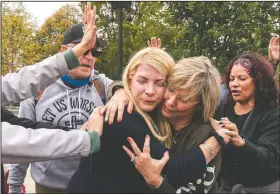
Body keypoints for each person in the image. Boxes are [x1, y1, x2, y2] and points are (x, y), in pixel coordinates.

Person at [67, 46, 229, 193]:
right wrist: (218, 139)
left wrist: (119, 90)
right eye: (142, 81)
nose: (150, 91)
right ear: (130, 80)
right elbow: (178, 171)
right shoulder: (123, 117)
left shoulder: (152, 112)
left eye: (160, 83)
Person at [7, 7, 113, 194]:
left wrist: (120, 92)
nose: (89, 57)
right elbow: (20, 142)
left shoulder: (103, 86)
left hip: (92, 184)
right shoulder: (37, 91)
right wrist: (15, 187)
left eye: (94, 53)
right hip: (49, 186)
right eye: (83, 50)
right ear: (65, 51)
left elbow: (134, 90)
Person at [212, 53, 280, 193]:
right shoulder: (223, 109)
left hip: (263, 189)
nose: (234, 84)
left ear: (258, 81)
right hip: (227, 187)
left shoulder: (272, 114)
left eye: (242, 78)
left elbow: (267, 158)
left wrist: (242, 142)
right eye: (231, 79)